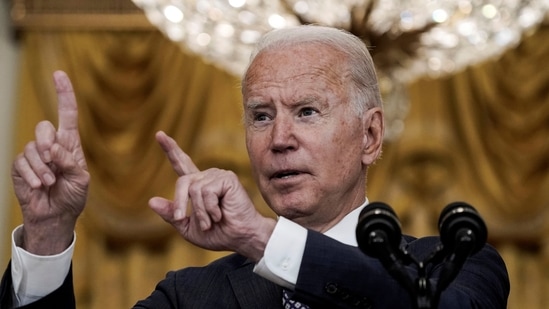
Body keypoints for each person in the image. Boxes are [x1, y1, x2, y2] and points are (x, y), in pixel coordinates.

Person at [1, 25, 509, 308]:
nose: (279, 139)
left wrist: (259, 239)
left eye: (307, 112)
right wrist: (47, 234)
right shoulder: (190, 298)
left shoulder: (455, 263)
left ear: (370, 135)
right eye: (261, 116)